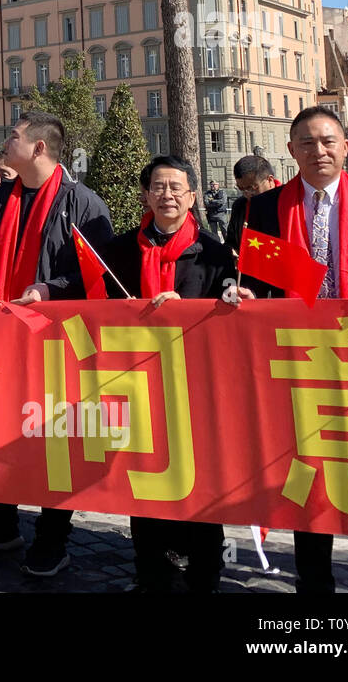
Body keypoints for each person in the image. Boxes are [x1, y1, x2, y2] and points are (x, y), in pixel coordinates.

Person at [242, 107, 348, 594]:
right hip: (298, 361)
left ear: (344, 147)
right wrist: (247, 296)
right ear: (291, 150)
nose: (317, 151)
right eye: (306, 143)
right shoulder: (264, 208)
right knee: (306, 477)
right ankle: (313, 585)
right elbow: (253, 279)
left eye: (327, 141)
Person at [0, 112, 114, 576]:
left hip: (56, 342)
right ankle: (1, 523)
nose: (6, 143)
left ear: (39, 149)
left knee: (54, 437)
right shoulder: (0, 197)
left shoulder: (83, 203)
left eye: (13, 136)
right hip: (0, 333)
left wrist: (51, 289)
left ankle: (52, 537)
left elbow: (99, 271)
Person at [99, 156, 251, 592]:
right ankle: (151, 570)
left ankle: (205, 571)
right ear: (145, 195)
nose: (167, 194)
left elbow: (229, 314)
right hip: (136, 384)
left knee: (202, 482)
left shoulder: (217, 253)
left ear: (192, 196)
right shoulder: (119, 252)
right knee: (144, 480)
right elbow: (96, 305)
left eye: (176, 187)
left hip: (196, 390)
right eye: (158, 187)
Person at [225, 154, 278, 250]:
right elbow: (231, 241)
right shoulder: (240, 206)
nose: (247, 194)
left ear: (270, 180)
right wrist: (231, 252)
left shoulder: (289, 202)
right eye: (241, 189)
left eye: (252, 188)